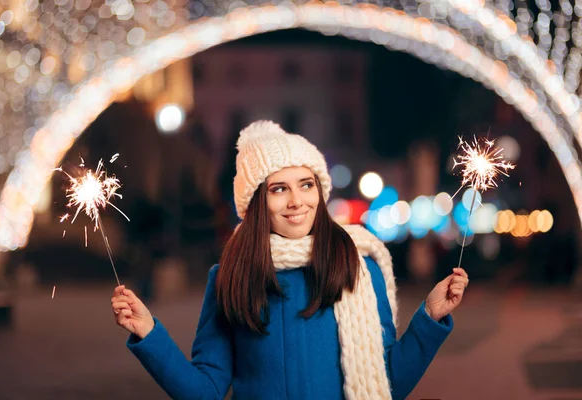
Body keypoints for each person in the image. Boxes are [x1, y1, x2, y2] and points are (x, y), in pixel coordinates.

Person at [111, 121, 469, 400]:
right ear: (255, 204)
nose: (297, 201)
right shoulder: (230, 277)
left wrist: (430, 318)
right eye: (279, 189)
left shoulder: (359, 267)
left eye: (306, 184)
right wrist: (149, 334)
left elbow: (386, 384)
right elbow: (205, 390)